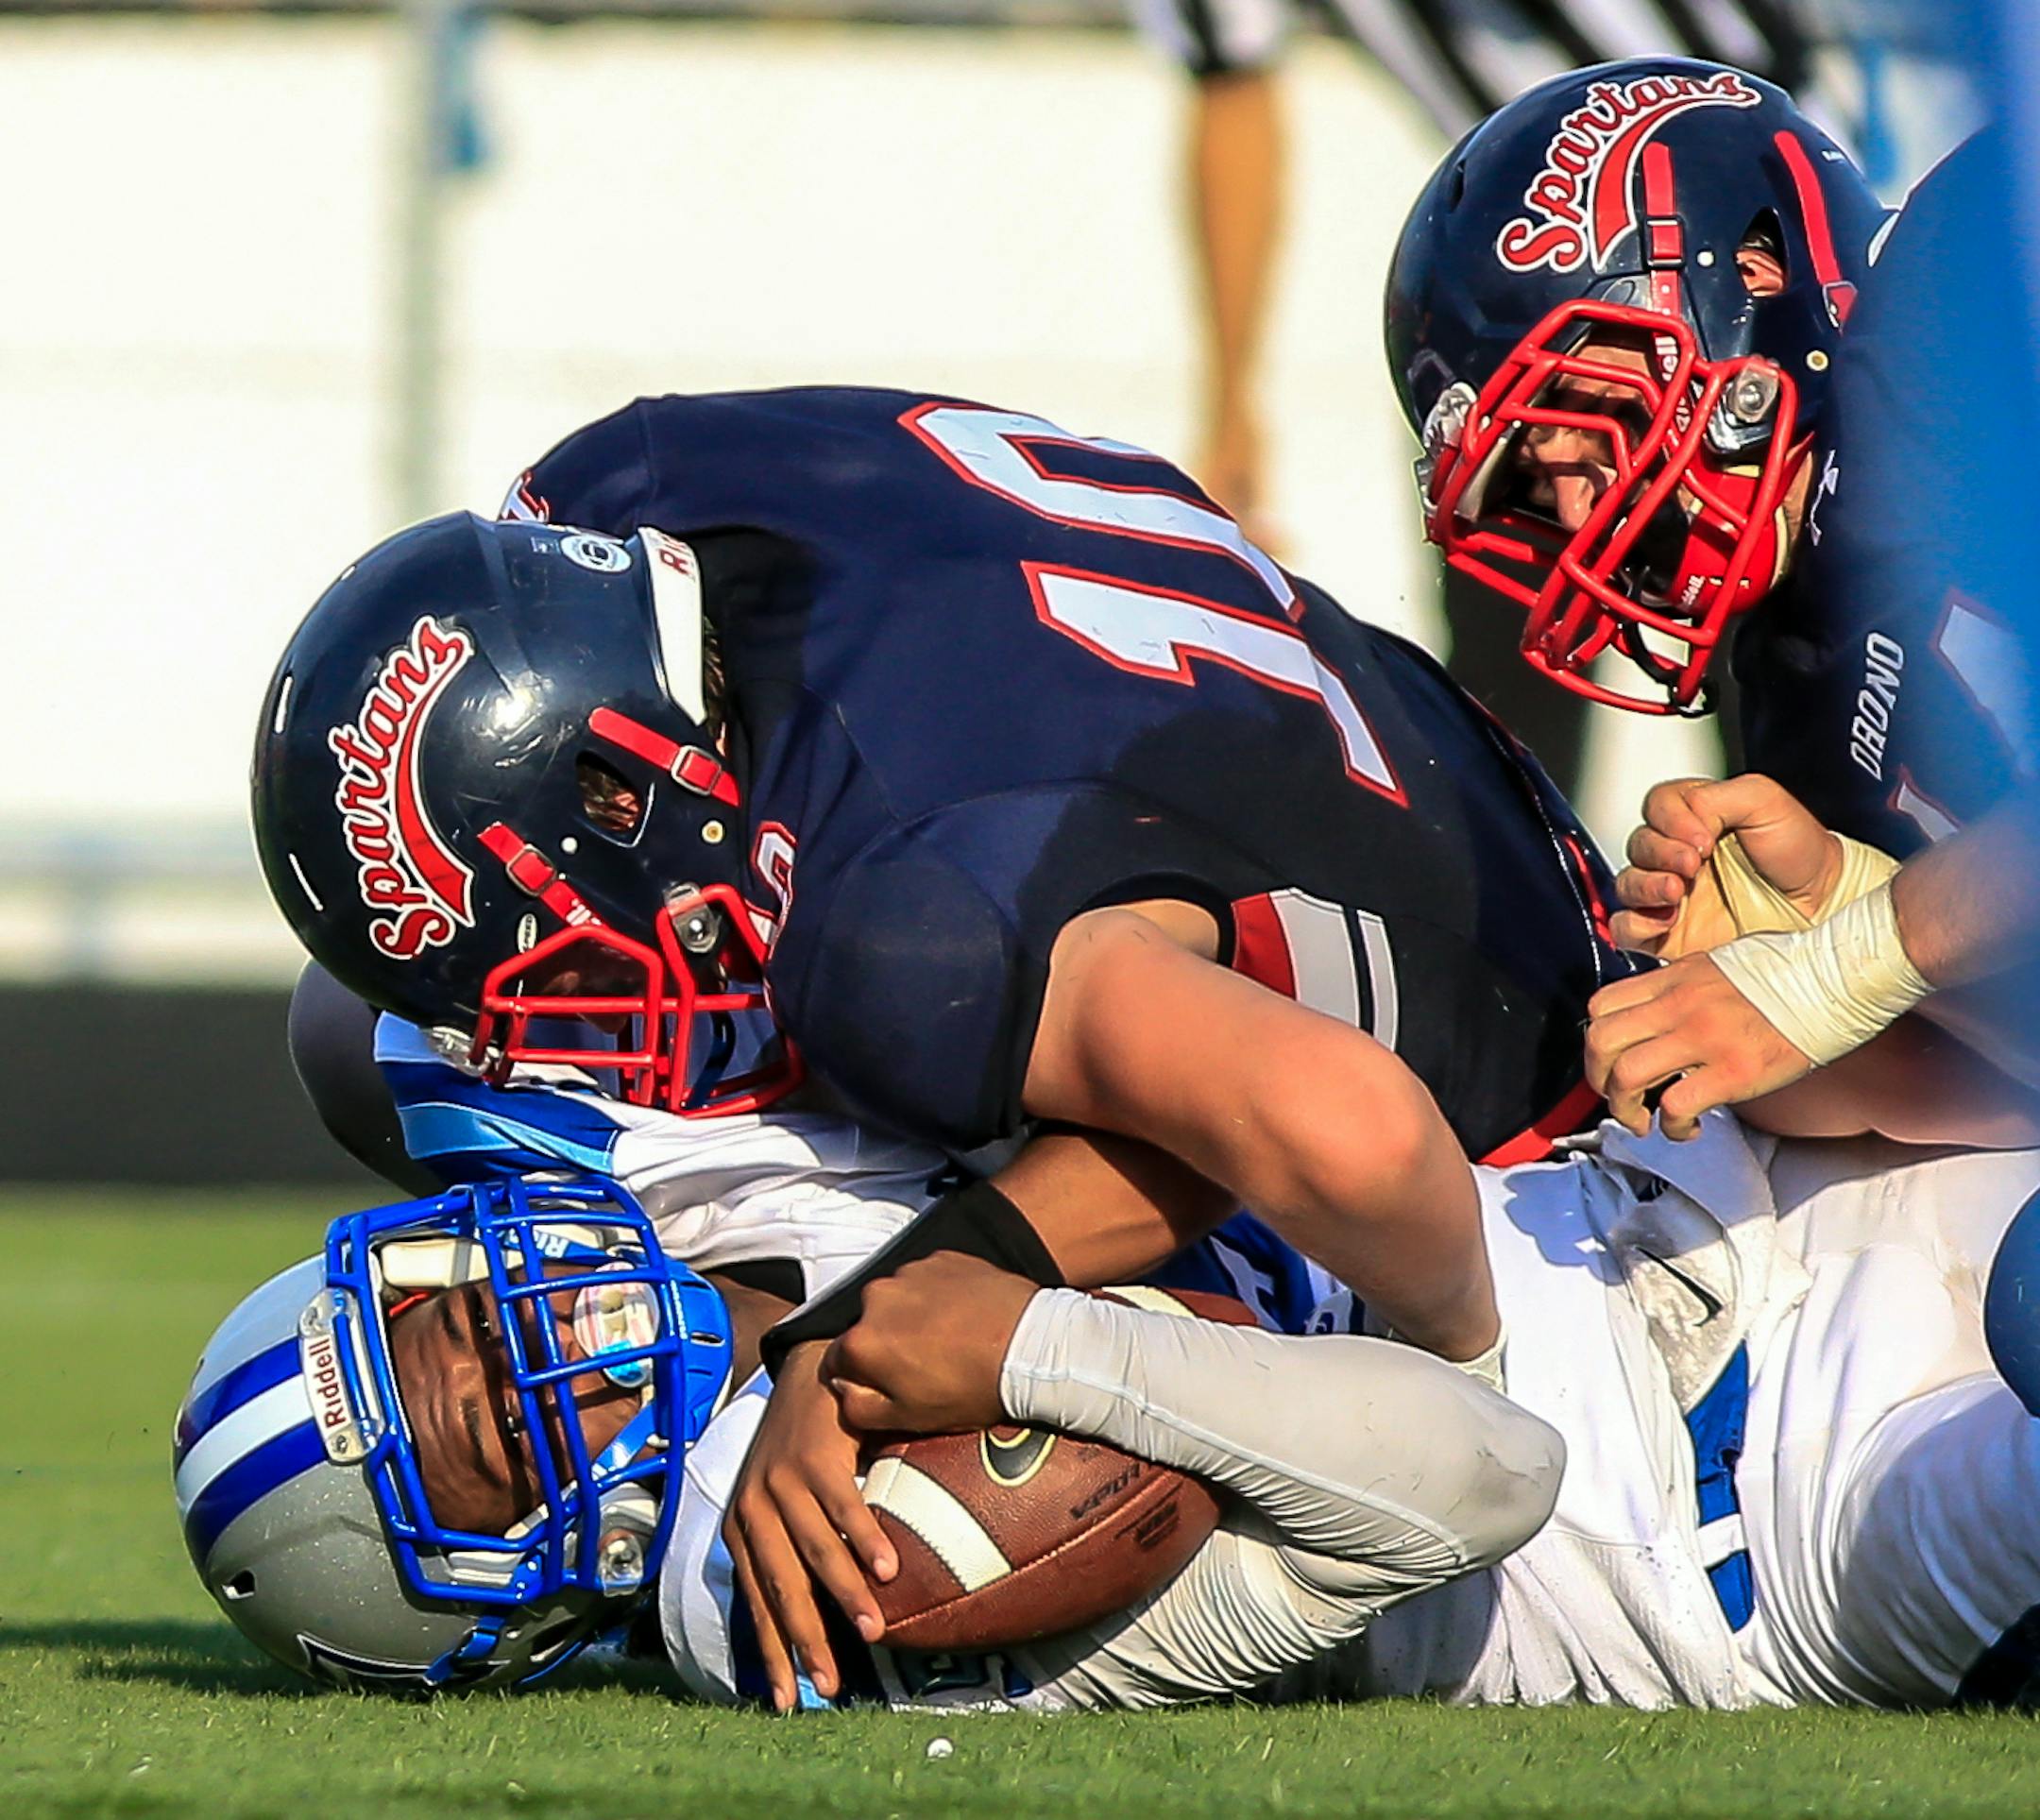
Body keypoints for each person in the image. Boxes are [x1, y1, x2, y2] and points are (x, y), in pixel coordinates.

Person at [250, 385, 1636, 1695]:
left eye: (550, 973)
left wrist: (1459, 1366)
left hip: (1523, 1028)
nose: (555, 1035)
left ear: (620, 792)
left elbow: (1357, 1133)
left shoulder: (902, 936)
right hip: (1395, 726)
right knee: (353, 1033)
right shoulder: (630, 488)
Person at [1384, 61, 2040, 1120]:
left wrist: (1876, 945)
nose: (1573, 512)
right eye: (1526, 484)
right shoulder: (1799, 692)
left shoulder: (1975, 274)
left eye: (1586, 409)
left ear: (1754, 270)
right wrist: (1817, 925)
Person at [1135, 11, 1828, 799]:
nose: (1573, 504)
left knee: (1798, 688)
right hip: (1540, 302)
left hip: (1742, 255)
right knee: (1510, 723)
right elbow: (1231, 78)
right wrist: (1232, 409)